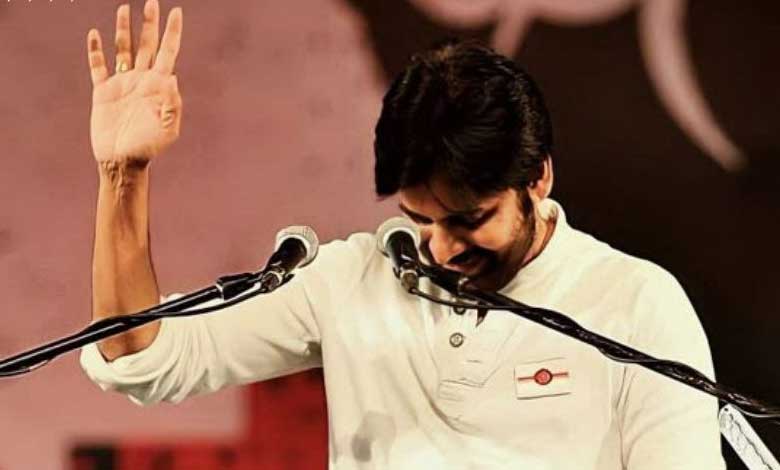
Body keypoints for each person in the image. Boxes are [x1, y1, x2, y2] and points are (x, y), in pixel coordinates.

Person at [80, 1, 726, 468]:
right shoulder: (352, 280)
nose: (441, 249)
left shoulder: (635, 302)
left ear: (538, 179)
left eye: (470, 219)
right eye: (421, 221)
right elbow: (143, 359)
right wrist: (123, 176)